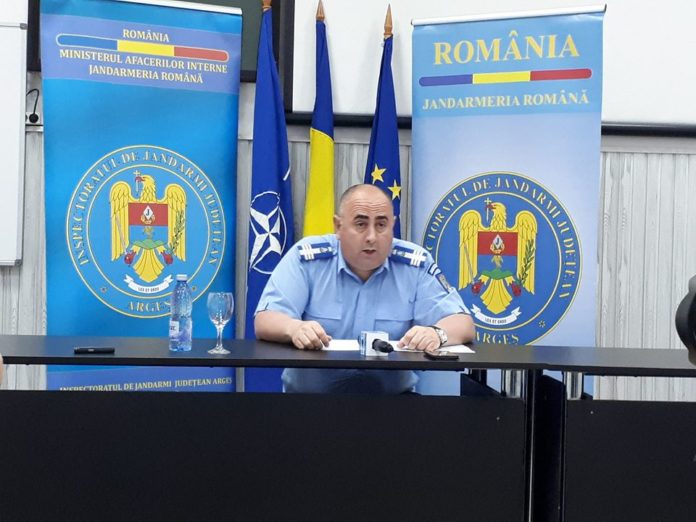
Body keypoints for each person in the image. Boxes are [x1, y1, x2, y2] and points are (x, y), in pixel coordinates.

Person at [254, 184, 475, 393]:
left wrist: (436, 333)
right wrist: (294, 328)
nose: (371, 237)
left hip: (393, 406)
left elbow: (463, 324)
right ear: (338, 226)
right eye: (361, 224)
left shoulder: (415, 265)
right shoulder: (308, 259)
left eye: (381, 225)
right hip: (309, 404)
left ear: (392, 225)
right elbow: (265, 319)